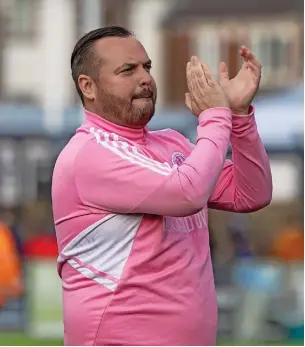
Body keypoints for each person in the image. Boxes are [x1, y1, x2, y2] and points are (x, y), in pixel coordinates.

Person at [52, 26, 272, 345]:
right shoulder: (89, 154)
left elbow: (251, 193)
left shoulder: (171, 143)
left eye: (147, 67)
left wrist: (238, 117)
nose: (145, 78)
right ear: (88, 86)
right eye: (128, 70)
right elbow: (189, 193)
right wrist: (216, 115)